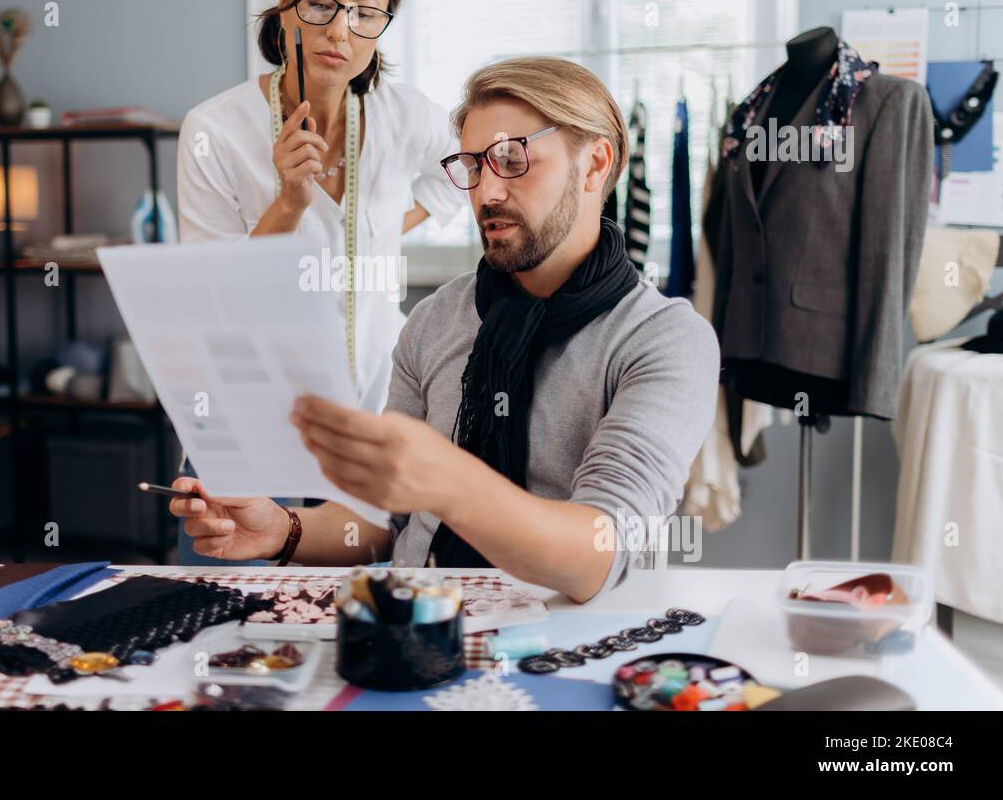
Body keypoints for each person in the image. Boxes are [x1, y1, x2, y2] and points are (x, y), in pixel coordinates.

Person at [170, 56, 720, 601]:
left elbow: (599, 551)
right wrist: (283, 529)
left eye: (512, 159)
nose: (487, 193)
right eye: (474, 166)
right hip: (421, 632)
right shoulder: (436, 320)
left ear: (596, 164)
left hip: (568, 651)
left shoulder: (666, 341)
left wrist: (448, 480)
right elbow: (387, 521)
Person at [176, 0, 465, 413]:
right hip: (257, 407)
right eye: (320, 4)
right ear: (285, 4)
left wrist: (395, 224)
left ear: (381, 26)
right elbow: (214, 299)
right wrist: (288, 204)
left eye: (365, 13)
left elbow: (463, 166)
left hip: (377, 406)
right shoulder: (213, 132)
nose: (339, 30)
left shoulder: (405, 116)